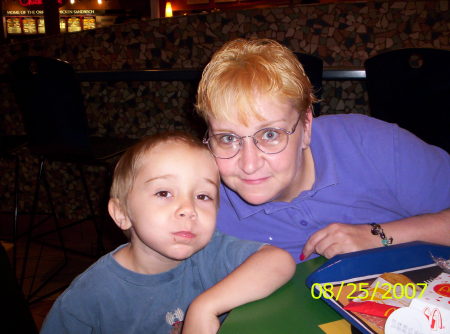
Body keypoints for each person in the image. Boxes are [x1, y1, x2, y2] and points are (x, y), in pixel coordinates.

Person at [195, 38, 450, 263]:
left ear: (306, 125)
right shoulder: (200, 199)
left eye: (270, 135)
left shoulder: (372, 144)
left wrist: (379, 235)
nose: (249, 164)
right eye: (228, 138)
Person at [40, 132, 295, 334]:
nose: (188, 209)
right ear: (122, 213)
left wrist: (204, 307)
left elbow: (278, 261)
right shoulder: (89, 296)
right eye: (164, 193)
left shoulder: (212, 252)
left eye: (203, 196)